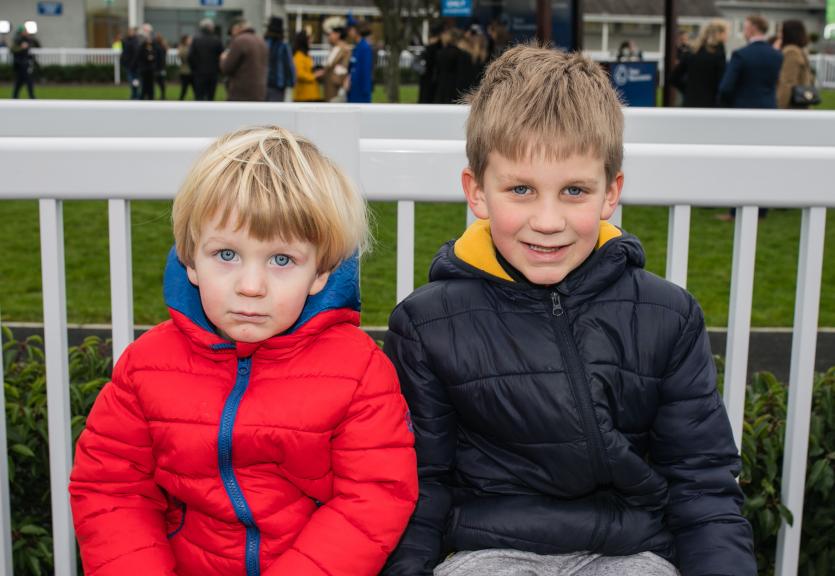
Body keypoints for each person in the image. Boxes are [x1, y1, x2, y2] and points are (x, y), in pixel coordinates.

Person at [381, 44, 756, 576]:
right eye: (521, 190)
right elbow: (421, 483)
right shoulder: (427, 324)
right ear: (478, 192)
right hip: (490, 551)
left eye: (574, 190)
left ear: (610, 194)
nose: (549, 220)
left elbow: (701, 480)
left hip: (631, 551)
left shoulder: (665, 315)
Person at [69, 125, 419, 575]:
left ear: (320, 274)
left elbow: (374, 496)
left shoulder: (360, 372)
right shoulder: (146, 367)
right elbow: (111, 490)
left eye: (281, 260)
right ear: (191, 260)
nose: (250, 287)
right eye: (227, 255)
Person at [718, 14, 783, 109]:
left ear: (752, 28)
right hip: (769, 107)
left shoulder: (740, 55)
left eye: (745, 28)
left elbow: (726, 87)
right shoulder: (777, 55)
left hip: (744, 108)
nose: (744, 32)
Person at [672, 19, 729, 107]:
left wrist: (687, 90)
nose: (727, 36)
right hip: (710, 104)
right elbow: (721, 82)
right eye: (726, 32)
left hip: (690, 102)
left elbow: (673, 78)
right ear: (719, 34)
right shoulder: (718, 53)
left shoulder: (691, 51)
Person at [220, 19, 268, 101]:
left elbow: (227, 68)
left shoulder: (239, 41)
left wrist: (223, 58)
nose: (232, 36)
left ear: (236, 28)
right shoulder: (261, 41)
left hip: (240, 93)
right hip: (259, 92)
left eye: (231, 32)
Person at [777, 20, 814, 109]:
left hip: (791, 107)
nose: (779, 34)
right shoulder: (799, 50)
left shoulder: (791, 51)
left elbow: (787, 82)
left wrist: (779, 107)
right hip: (800, 104)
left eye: (781, 31)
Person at [189, 18, 223, 101]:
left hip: (199, 73)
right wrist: (218, 69)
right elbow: (221, 56)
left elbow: (190, 56)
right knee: (210, 97)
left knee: (199, 97)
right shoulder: (216, 40)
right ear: (210, 27)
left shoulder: (196, 40)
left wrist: (194, 69)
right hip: (213, 73)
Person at [264, 16, 295, 102]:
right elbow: (289, 65)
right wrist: (291, 82)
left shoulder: (263, 44)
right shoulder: (283, 46)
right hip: (278, 84)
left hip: (263, 83)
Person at [321, 16, 351, 102]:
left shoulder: (341, 48)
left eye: (330, 34)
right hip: (332, 91)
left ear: (338, 34)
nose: (328, 37)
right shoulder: (339, 48)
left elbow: (329, 64)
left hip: (336, 91)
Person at [346, 18, 374, 103]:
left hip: (360, 93)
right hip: (353, 91)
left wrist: (365, 93)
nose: (349, 33)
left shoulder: (364, 47)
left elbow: (365, 71)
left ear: (356, 31)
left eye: (350, 30)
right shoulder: (357, 47)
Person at [417, 21, 444, 104]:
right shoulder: (441, 47)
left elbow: (426, 63)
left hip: (429, 79)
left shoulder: (430, 48)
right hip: (435, 80)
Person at [292, 30, 322, 101]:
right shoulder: (298, 56)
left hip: (311, 95)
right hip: (304, 96)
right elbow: (299, 74)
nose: (311, 41)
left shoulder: (306, 55)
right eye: (309, 39)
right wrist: (315, 76)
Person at [11, 25, 38, 99]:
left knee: (20, 81)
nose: (27, 32)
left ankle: (15, 96)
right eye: (25, 31)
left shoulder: (27, 39)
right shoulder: (17, 39)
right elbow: (13, 50)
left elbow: (34, 46)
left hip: (25, 63)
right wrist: (21, 48)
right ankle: (31, 96)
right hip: (20, 63)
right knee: (28, 80)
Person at [136, 24, 161, 100]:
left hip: (151, 69)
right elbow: (139, 55)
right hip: (144, 69)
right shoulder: (141, 44)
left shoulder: (154, 45)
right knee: (144, 85)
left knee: (151, 86)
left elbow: (157, 54)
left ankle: (151, 98)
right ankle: (142, 98)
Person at [121, 27, 141, 100]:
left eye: (131, 31)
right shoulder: (126, 40)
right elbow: (124, 52)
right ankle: (134, 94)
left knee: (135, 81)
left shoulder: (135, 41)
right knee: (132, 81)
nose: (130, 33)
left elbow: (135, 54)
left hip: (134, 66)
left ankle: (136, 95)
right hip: (128, 65)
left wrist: (133, 64)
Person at [177, 35, 193, 100]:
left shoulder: (190, 47)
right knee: (184, 89)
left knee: (196, 89)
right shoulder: (182, 48)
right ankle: (180, 101)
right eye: (189, 39)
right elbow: (182, 56)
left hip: (191, 71)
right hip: (185, 72)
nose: (190, 41)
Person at [154, 33, 169, 100]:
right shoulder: (162, 47)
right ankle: (163, 95)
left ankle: (162, 95)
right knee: (161, 82)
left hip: (158, 67)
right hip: (161, 67)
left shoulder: (158, 47)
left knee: (160, 82)